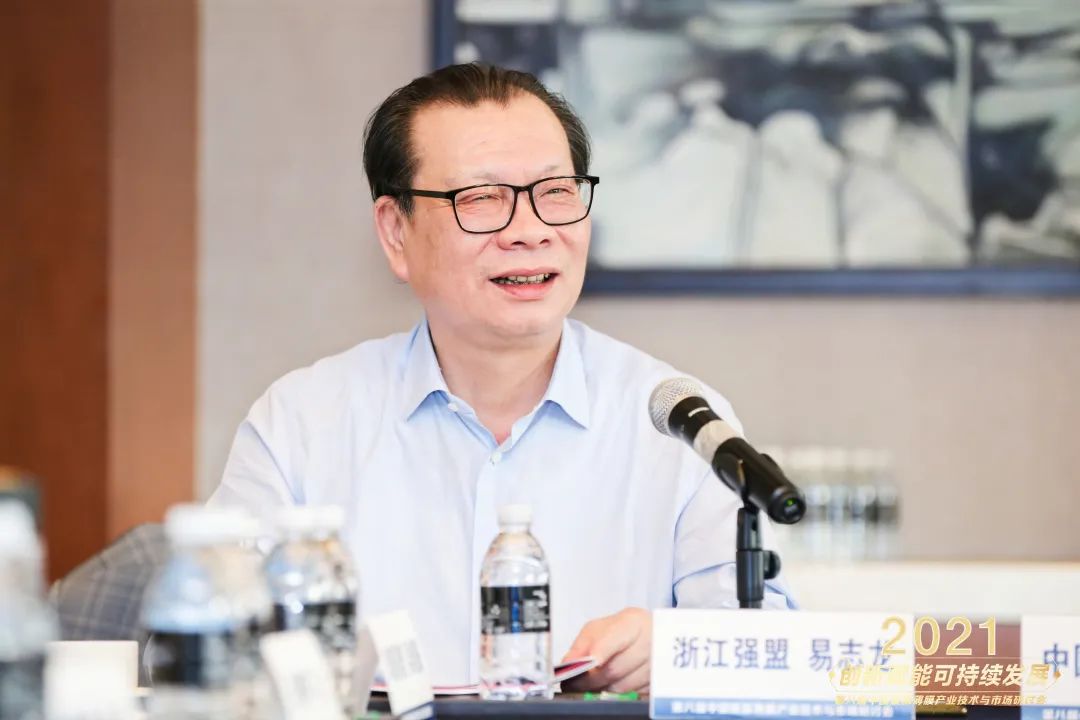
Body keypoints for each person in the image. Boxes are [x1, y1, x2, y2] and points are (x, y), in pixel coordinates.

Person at [208, 63, 794, 692]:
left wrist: (678, 653)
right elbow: (208, 651)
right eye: (482, 198)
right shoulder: (300, 425)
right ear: (397, 232)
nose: (530, 231)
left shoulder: (677, 423)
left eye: (556, 191)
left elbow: (768, 655)